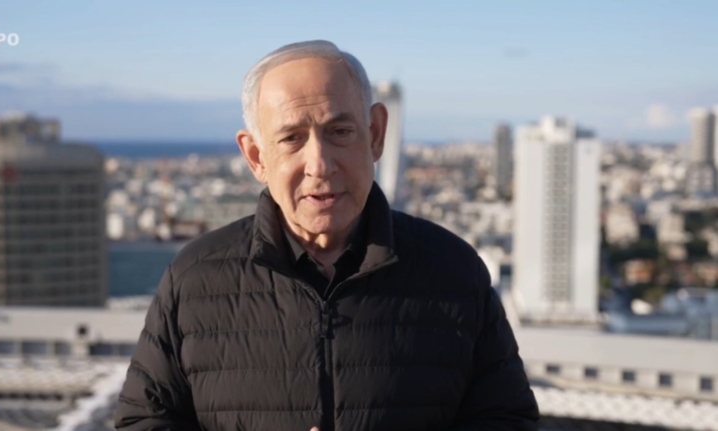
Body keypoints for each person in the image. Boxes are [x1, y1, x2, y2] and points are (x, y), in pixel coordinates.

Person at [114, 40, 539, 431]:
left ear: (375, 134)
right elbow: (144, 422)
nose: (319, 163)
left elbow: (507, 421)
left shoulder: (453, 272)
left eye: (339, 132)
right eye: (292, 138)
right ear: (256, 156)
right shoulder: (195, 280)